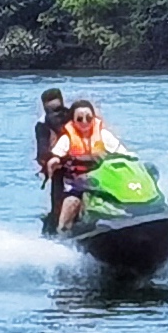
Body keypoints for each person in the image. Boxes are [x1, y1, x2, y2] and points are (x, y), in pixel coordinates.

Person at [48, 99, 129, 234]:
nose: (84, 122)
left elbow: (124, 153)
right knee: (71, 202)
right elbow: (56, 155)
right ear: (73, 121)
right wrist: (54, 161)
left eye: (88, 118)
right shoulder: (67, 139)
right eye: (79, 119)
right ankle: (62, 232)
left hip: (104, 181)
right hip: (78, 185)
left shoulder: (104, 135)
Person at [34, 87, 69, 236]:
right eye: (51, 111)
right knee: (58, 199)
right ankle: (56, 226)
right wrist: (53, 159)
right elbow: (42, 151)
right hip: (58, 168)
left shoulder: (74, 116)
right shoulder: (42, 126)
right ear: (46, 111)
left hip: (83, 163)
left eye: (59, 109)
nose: (57, 115)